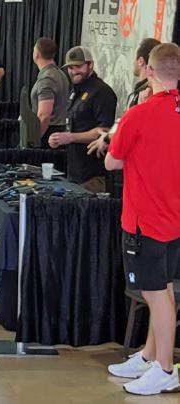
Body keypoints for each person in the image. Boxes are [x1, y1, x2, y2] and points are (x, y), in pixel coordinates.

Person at [104, 43, 180, 396]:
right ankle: (150, 357)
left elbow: (111, 163)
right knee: (162, 289)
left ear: (149, 70)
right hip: (172, 217)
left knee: (155, 295)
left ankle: (165, 368)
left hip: (145, 219)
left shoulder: (140, 113)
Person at [48, 46, 116, 192]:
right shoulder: (75, 91)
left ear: (90, 64)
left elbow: (104, 132)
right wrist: (59, 138)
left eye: (78, 66)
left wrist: (70, 137)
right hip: (75, 172)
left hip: (93, 176)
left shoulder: (103, 92)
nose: (73, 71)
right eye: (70, 68)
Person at [30, 37, 70, 146]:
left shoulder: (46, 79)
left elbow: (44, 115)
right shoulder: (60, 74)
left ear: (37, 54)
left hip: (46, 134)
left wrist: (32, 140)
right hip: (58, 131)